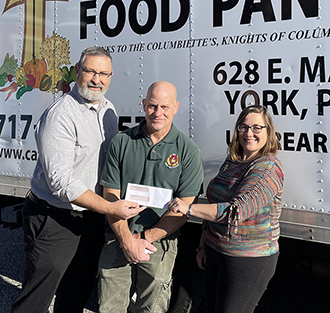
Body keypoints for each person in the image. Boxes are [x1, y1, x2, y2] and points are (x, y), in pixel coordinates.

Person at [11, 46, 148, 313]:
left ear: (111, 76)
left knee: (77, 291)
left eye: (104, 74)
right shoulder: (61, 114)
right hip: (55, 220)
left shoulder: (108, 109)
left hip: (91, 217)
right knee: (36, 298)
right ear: (77, 72)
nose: (97, 79)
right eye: (91, 71)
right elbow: (60, 180)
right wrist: (110, 208)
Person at [98, 81, 204, 313]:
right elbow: (110, 197)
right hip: (118, 235)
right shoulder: (121, 142)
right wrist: (127, 240)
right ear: (144, 105)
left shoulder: (188, 151)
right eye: (153, 106)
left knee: (151, 307)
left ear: (175, 107)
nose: (158, 113)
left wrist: (143, 237)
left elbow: (183, 209)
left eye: (165, 107)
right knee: (109, 306)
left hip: (160, 241)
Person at [168, 104, 284, 313]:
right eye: (243, 127)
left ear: (269, 131)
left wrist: (189, 209)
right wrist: (203, 246)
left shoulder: (267, 168)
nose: (249, 133)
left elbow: (235, 212)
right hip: (215, 250)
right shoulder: (233, 161)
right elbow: (214, 202)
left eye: (257, 128)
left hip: (248, 259)